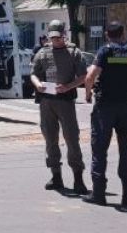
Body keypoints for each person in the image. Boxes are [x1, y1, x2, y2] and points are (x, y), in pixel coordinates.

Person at [83, 21, 127, 207]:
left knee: (99, 149)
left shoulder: (105, 51)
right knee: (126, 150)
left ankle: (98, 194)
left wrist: (88, 93)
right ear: (123, 33)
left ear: (107, 34)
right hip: (126, 107)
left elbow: (90, 77)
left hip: (105, 106)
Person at [29, 19, 88, 194]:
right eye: (53, 37)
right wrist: (37, 84)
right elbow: (33, 74)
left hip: (66, 101)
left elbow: (83, 76)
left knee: (71, 139)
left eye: (58, 37)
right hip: (47, 102)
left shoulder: (74, 52)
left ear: (64, 35)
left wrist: (69, 86)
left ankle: (78, 179)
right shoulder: (42, 52)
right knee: (50, 139)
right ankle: (56, 177)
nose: (56, 41)